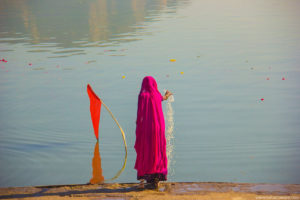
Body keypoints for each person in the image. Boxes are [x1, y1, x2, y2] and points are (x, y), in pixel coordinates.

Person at [134, 76, 173, 189]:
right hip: (158, 128)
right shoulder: (156, 95)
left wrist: (138, 125)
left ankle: (147, 176)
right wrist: (167, 94)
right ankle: (157, 176)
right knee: (157, 150)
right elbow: (162, 98)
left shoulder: (142, 96)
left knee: (147, 150)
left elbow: (139, 114)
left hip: (146, 128)